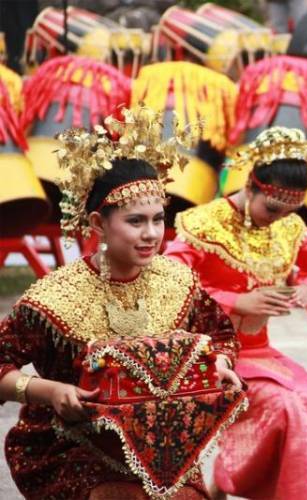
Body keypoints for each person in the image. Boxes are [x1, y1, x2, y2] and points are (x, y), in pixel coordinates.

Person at [0, 106, 244, 499]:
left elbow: (219, 334)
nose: (151, 235)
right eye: (135, 222)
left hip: (168, 450)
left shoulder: (178, 280)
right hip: (76, 443)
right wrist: (46, 391)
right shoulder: (55, 296)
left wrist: (219, 363)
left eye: (157, 219)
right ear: (98, 224)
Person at [165, 126, 307, 500]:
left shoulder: (288, 226)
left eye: (289, 212)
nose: (278, 219)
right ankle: (233, 478)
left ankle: (233, 479)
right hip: (206, 351)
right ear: (251, 184)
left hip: (258, 350)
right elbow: (168, 284)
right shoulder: (204, 223)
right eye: (273, 208)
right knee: (286, 406)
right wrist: (234, 302)